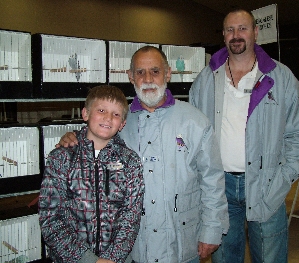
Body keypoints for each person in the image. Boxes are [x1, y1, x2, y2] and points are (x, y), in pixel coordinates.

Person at [58, 46, 229, 263]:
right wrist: (73, 138)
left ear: (168, 73)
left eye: (155, 71)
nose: (148, 79)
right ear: (131, 76)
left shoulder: (195, 122)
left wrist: (212, 230)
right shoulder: (119, 123)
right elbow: (94, 136)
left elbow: (212, 180)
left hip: (181, 241)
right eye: (140, 72)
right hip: (134, 246)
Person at [190, 8, 299, 263]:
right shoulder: (206, 79)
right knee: (225, 258)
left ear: (256, 33)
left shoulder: (281, 78)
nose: (237, 35)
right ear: (223, 35)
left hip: (266, 184)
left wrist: (285, 175)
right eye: (230, 30)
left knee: (270, 257)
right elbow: (193, 133)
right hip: (219, 186)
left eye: (243, 28)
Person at [39, 85, 145, 263]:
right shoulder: (62, 158)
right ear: (85, 114)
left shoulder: (130, 161)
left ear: (122, 124)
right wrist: (87, 260)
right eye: (101, 110)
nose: (108, 118)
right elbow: (50, 217)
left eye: (116, 114)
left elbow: (131, 216)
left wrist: (112, 258)